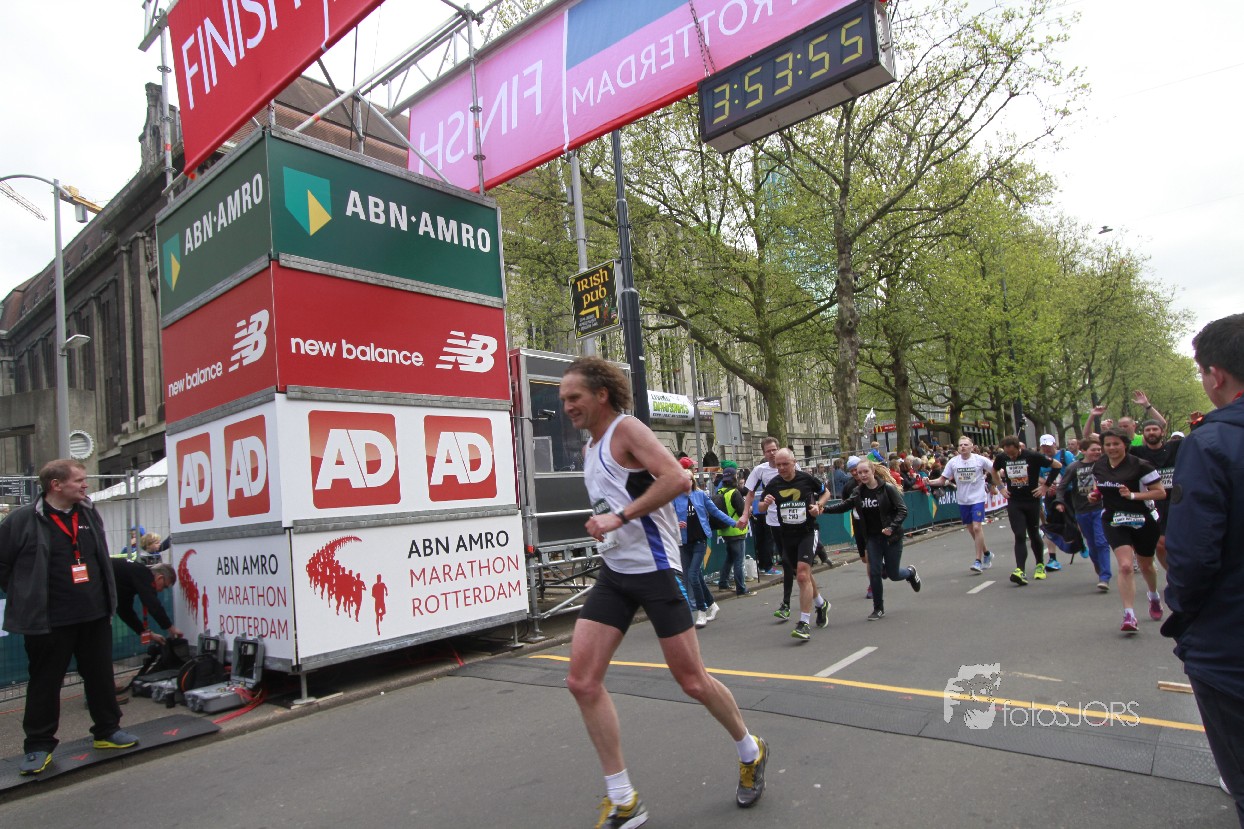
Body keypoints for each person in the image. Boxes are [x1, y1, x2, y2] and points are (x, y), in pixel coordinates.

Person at [558, 357, 768, 824]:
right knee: (582, 681)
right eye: (563, 399)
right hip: (615, 573)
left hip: (656, 571)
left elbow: (678, 478)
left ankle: (750, 749)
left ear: (601, 395)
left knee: (692, 681)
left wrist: (620, 517)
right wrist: (607, 521)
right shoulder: (591, 447)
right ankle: (624, 800)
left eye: (574, 397)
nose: (567, 406)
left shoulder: (626, 429)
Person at [0, 459, 139, 776]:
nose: (85, 484)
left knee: (100, 676)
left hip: (93, 615)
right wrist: (23, 592)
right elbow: (3, 564)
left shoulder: (88, 513)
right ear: (56, 485)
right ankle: (38, 746)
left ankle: (107, 730)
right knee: (45, 683)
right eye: (78, 480)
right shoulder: (22, 520)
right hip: (49, 621)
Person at [1162, 313, 1244, 825]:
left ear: (1216, 375)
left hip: (1230, 645)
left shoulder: (1209, 444)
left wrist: (1183, 612)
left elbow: (1193, 555)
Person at [1089, 429, 1166, 632]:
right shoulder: (1099, 465)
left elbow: (1160, 493)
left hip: (1142, 519)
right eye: (1108, 444)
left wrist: (1132, 495)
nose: (1112, 448)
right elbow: (1100, 488)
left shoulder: (1141, 465)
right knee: (1125, 566)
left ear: (1125, 445)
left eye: (1116, 444)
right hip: (1114, 519)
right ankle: (1129, 615)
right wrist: (1095, 495)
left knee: (1146, 565)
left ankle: (1153, 595)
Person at [825, 460, 920, 620]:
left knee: (893, 574)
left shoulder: (887, 489)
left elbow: (902, 510)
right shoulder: (858, 492)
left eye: (865, 472)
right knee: (875, 572)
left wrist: (891, 527)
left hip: (891, 537)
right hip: (872, 538)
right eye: (859, 472)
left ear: (873, 472)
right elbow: (844, 505)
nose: (862, 475)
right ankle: (878, 608)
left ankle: (910, 573)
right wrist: (824, 509)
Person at [758, 449, 832, 640]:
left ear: (794, 462)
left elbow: (826, 493)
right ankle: (821, 604)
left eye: (785, 464)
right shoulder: (774, 483)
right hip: (787, 535)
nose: (782, 468)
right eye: (778, 465)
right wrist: (765, 503)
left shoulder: (806, 479)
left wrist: (819, 506)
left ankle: (804, 623)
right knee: (802, 574)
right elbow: (760, 506)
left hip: (807, 532)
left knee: (802, 575)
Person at [994, 435, 1061, 585]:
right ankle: (1020, 570)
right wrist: (1001, 488)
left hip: (1032, 500)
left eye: (1013, 453)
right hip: (1014, 501)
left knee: (1033, 533)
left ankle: (1039, 564)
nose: (1011, 457)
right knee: (1019, 535)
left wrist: (1045, 486)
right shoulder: (1002, 457)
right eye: (1008, 454)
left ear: (1019, 448)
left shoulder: (1032, 456)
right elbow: (993, 470)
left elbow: (1057, 465)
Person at [674, 460, 733, 628]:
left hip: (700, 540)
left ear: (692, 481)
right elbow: (667, 517)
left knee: (693, 575)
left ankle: (701, 610)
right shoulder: (675, 499)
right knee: (695, 576)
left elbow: (715, 512)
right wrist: (675, 524)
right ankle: (712, 604)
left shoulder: (700, 495)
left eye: (688, 479)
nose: (685, 483)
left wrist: (734, 523)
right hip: (684, 542)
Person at [926, 436, 996, 574]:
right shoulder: (953, 462)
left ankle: (978, 561)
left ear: (972, 447)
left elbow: (994, 469)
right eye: (960, 445)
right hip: (963, 500)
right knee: (971, 529)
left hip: (978, 498)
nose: (963, 447)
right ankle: (987, 553)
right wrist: (929, 482)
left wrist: (998, 483)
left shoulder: (979, 460)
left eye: (965, 444)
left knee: (977, 527)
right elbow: (942, 480)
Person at [1057, 436, 1113, 591]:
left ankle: (1105, 577)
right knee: (1092, 544)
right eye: (1093, 450)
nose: (1097, 452)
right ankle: (1099, 567)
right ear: (1083, 451)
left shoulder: (1104, 464)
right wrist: (1059, 502)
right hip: (1082, 510)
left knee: (1101, 541)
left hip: (1101, 508)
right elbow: (1062, 486)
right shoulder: (1074, 467)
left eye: (1099, 449)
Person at [1130, 419, 1180, 570]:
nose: (1151, 432)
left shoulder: (1175, 447)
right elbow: (1111, 444)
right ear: (1143, 434)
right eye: (1148, 430)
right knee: (1160, 544)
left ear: (1162, 432)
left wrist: (1148, 407)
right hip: (1152, 503)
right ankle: (1172, 574)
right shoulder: (1137, 452)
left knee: (1181, 542)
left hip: (1177, 501)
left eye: (1155, 429)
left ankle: (1182, 572)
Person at [739, 438, 783, 577]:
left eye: (774, 450)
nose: (772, 453)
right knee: (766, 540)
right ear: (764, 453)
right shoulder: (759, 471)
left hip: (790, 516)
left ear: (779, 449)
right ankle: (767, 566)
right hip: (767, 515)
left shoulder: (792, 465)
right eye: (768, 451)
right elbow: (749, 493)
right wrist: (745, 514)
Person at [112, 559, 182, 645]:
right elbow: (152, 604)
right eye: (164, 586)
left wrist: (148, 634)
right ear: (160, 577)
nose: (161, 590)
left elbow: (125, 611)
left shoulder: (130, 578)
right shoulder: (143, 574)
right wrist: (171, 628)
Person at [713, 464, 752, 597]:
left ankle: (723, 583)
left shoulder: (720, 491)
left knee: (730, 558)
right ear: (735, 477)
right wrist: (749, 510)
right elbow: (742, 512)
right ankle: (741, 588)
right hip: (737, 530)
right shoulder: (734, 493)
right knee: (738, 561)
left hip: (724, 530)